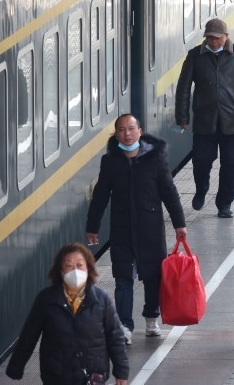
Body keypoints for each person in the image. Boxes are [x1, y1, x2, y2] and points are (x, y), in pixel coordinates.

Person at [85, 114, 188, 342]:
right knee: (123, 278)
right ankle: (124, 325)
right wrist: (93, 226)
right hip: (121, 229)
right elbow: (100, 196)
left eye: (131, 129)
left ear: (140, 131)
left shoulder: (156, 159)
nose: (127, 134)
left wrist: (179, 223)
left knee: (153, 276)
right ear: (116, 134)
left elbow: (169, 192)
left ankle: (151, 317)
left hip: (150, 229)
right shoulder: (110, 162)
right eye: (121, 130)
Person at [6, 243, 129, 384]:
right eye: (69, 266)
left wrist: (121, 372)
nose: (75, 270)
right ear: (60, 271)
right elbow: (29, 335)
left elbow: (115, 336)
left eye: (80, 265)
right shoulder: (46, 299)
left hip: (92, 376)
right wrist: (16, 367)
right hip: (57, 376)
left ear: (88, 268)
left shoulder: (102, 299)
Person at [175, 18, 234, 218]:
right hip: (205, 121)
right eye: (209, 38)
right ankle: (201, 190)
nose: (213, 42)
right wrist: (182, 116)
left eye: (217, 38)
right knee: (201, 162)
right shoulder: (195, 55)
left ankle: (224, 204)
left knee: (230, 165)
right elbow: (183, 88)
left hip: (232, 122)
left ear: (226, 36)